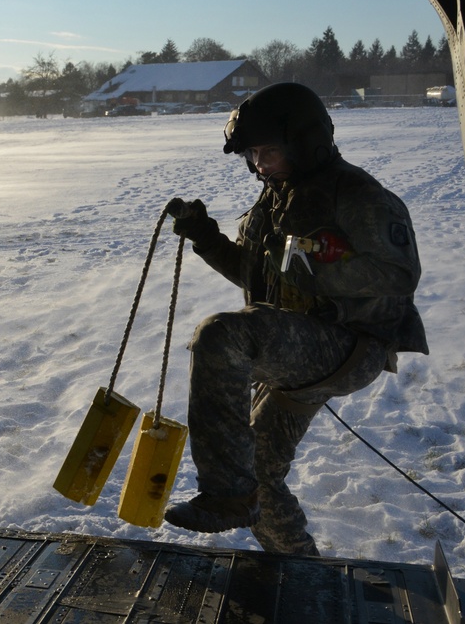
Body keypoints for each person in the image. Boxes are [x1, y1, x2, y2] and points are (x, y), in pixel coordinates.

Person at [162, 82, 428, 556]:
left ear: (306, 143)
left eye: (270, 151)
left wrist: (313, 272)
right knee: (260, 471)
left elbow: (398, 273)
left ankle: (226, 495)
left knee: (221, 336)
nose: (260, 164)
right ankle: (296, 565)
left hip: (349, 342)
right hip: (291, 343)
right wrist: (205, 237)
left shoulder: (357, 194)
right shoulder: (273, 200)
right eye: (253, 154)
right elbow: (255, 273)